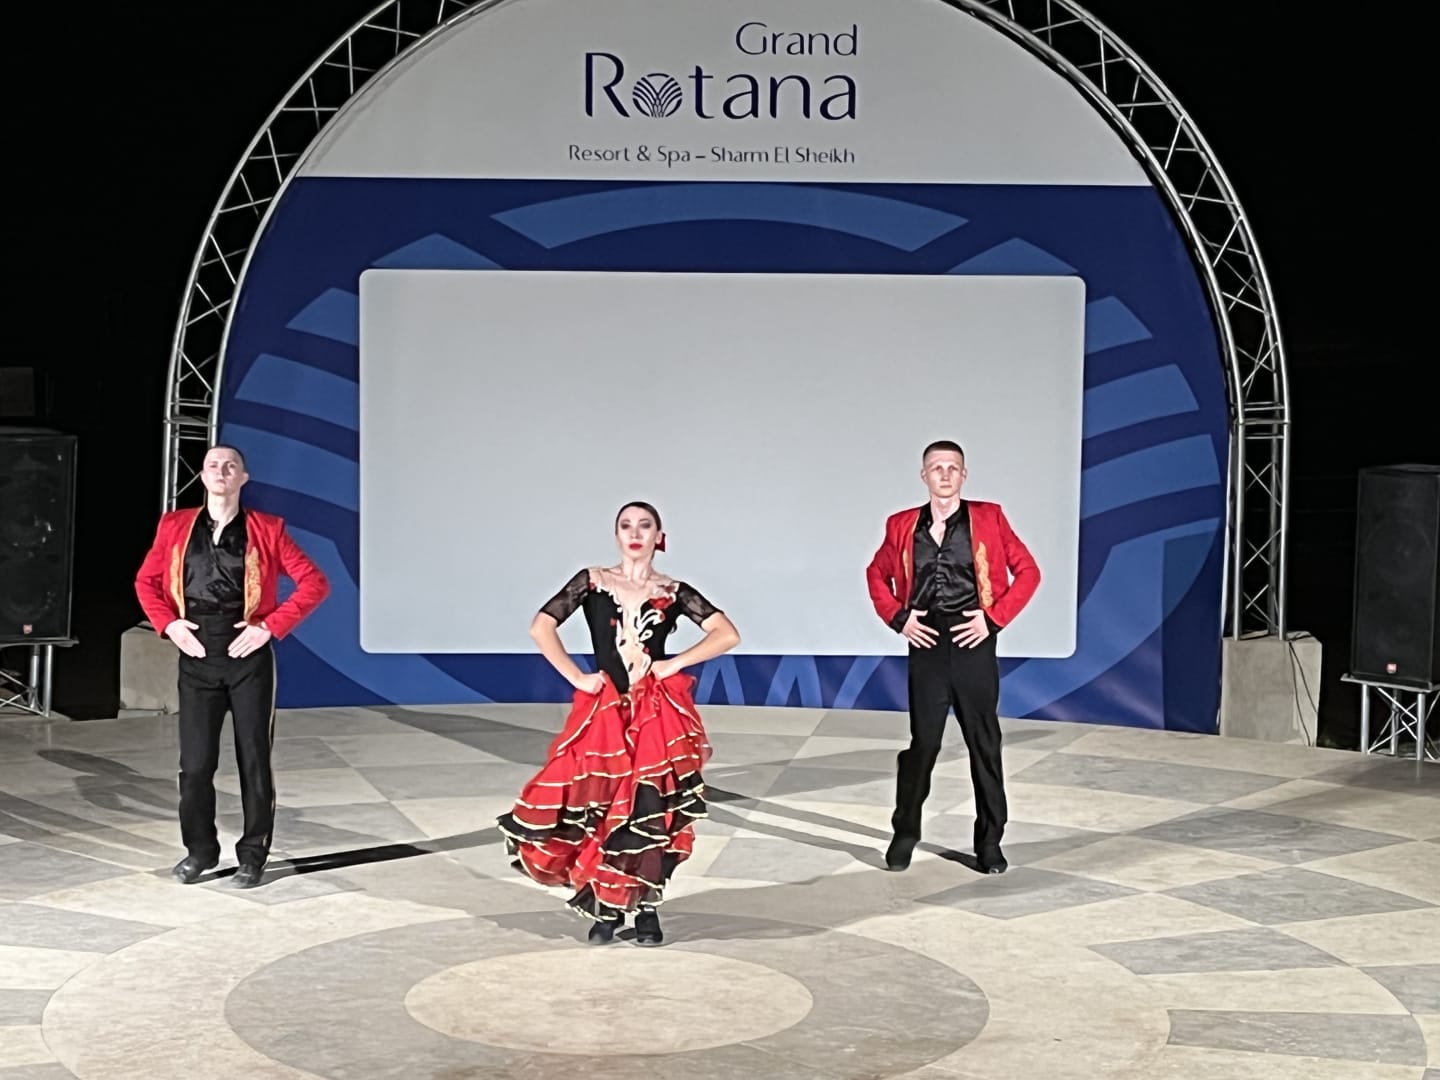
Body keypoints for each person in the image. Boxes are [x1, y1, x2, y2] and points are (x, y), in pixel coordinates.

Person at [498, 501, 740, 945]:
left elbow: (727, 633)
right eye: (626, 525)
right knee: (601, 804)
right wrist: (577, 677)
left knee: (649, 809)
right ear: (616, 534)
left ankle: (647, 909)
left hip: (655, 712)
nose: (635, 533)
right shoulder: (593, 581)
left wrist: (673, 664)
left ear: (659, 536)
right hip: (605, 712)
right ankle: (605, 908)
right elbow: (541, 626)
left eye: (645, 526)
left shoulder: (673, 589)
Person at [134, 444, 329, 888]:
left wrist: (270, 627)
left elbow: (314, 583)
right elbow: (146, 582)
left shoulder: (268, 528)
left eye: (230, 466)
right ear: (203, 477)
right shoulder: (175, 525)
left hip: (247, 657)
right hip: (197, 654)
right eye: (213, 466)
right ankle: (200, 850)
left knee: (253, 760)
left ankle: (253, 853)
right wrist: (169, 625)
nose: (221, 471)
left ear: (243, 477)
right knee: (195, 765)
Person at [866, 440, 1039, 875]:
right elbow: (876, 573)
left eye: (952, 467)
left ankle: (990, 843)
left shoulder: (989, 517)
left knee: (984, 742)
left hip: (972, 640)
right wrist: (899, 618)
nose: (944, 474)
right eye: (936, 467)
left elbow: (1028, 571)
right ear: (923, 475)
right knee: (924, 743)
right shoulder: (902, 524)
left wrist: (993, 619)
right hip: (926, 641)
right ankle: (905, 832)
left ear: (964, 475)